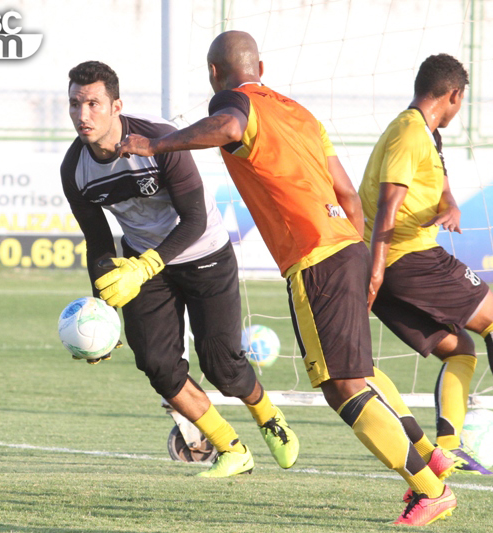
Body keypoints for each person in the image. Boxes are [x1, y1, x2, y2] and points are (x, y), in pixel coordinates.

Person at [114, 31, 462, 527]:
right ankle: (428, 454)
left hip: (315, 256)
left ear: (215, 72)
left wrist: (158, 142)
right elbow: (347, 192)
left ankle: (431, 489)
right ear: (262, 66)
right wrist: (359, 253)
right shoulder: (301, 113)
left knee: (341, 387)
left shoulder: (233, 101)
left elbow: (228, 123)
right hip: (345, 244)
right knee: (358, 371)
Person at [61, 60, 299, 478]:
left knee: (223, 368)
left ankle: (268, 417)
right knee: (157, 365)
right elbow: (98, 242)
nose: (83, 115)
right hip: (143, 265)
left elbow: (194, 220)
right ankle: (231, 448)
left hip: (204, 253)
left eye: (94, 104)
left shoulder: (159, 140)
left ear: (117, 105)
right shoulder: (74, 169)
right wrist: (104, 314)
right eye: (75, 105)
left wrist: (146, 264)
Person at [358, 53, 493, 476]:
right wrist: (375, 273)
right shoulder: (410, 134)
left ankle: (449, 446)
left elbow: (440, 184)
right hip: (407, 258)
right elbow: (388, 205)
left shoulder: (425, 131)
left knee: (460, 351)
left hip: (395, 265)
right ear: (454, 95)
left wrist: (451, 206)